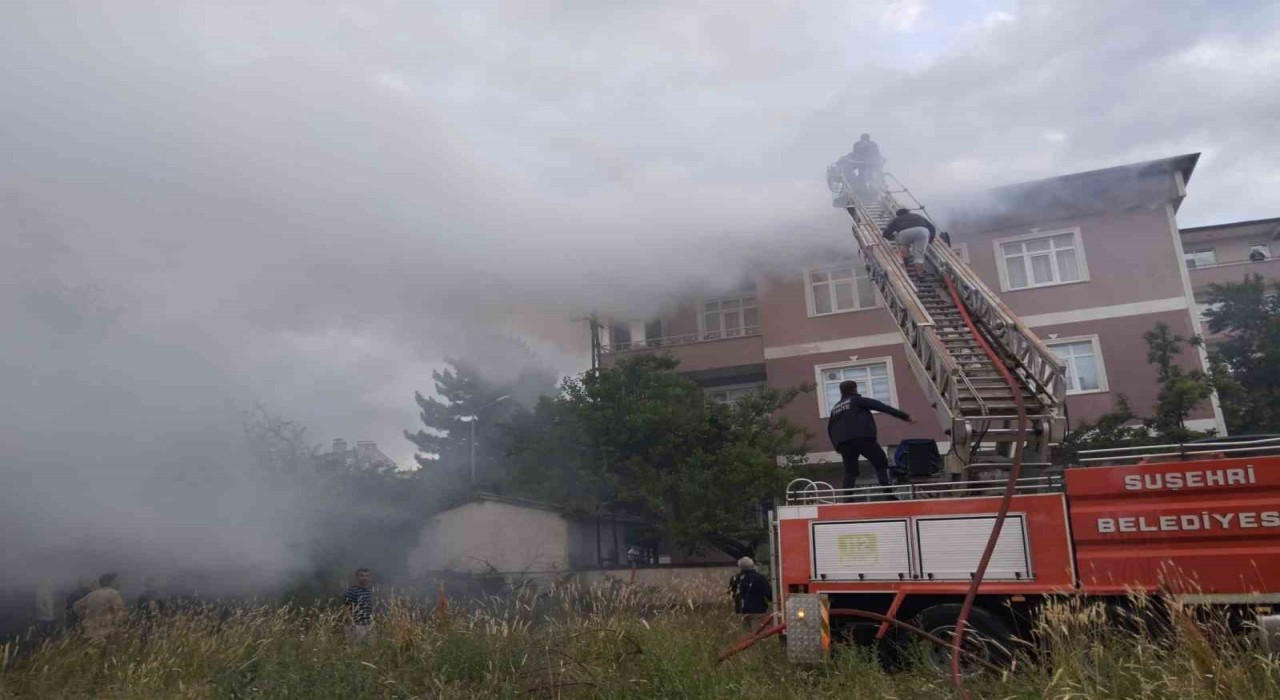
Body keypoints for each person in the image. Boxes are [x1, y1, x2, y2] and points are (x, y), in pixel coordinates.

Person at [827, 380, 916, 491]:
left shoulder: (835, 408)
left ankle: (847, 499)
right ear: (854, 389)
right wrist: (905, 416)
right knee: (881, 462)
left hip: (843, 443)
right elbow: (881, 407)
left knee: (850, 471)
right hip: (862, 437)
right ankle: (888, 494)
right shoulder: (857, 400)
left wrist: (837, 446)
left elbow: (830, 428)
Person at [882, 208, 937, 276]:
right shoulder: (918, 216)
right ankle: (920, 274)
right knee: (919, 254)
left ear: (898, 215)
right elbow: (932, 228)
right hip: (922, 231)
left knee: (904, 245)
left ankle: (906, 262)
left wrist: (891, 238)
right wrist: (930, 240)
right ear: (908, 212)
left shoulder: (897, 219)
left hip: (905, 232)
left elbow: (886, 233)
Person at [72, 573, 126, 643]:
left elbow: (76, 607)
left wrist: (87, 618)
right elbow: (120, 615)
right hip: (107, 634)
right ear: (111, 582)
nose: (118, 583)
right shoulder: (114, 594)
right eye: (116, 581)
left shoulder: (92, 594)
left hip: (90, 632)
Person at [728, 557, 772, 629]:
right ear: (752, 565)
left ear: (740, 566)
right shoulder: (760, 577)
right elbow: (768, 594)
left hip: (741, 610)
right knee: (761, 631)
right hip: (758, 610)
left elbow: (731, 593)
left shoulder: (735, 578)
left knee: (746, 633)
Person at [343, 568, 374, 643]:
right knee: (355, 650)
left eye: (367, 576)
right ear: (357, 577)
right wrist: (352, 625)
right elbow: (347, 609)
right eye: (362, 576)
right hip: (357, 625)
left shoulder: (369, 591)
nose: (364, 578)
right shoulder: (351, 591)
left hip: (368, 624)